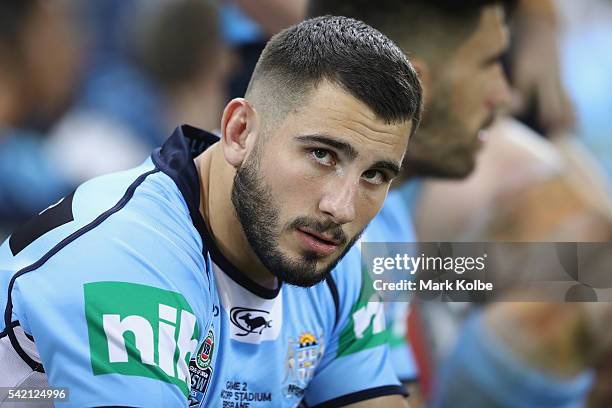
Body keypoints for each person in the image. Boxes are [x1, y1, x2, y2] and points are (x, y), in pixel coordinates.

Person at [0, 16, 422, 408]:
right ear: (240, 132)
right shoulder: (121, 260)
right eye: (321, 154)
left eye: (375, 175)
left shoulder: (327, 254)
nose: (342, 208)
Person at [310, 1, 612, 407]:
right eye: (489, 65)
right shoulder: (318, 234)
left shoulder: (389, 224)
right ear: (413, 85)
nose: (504, 95)